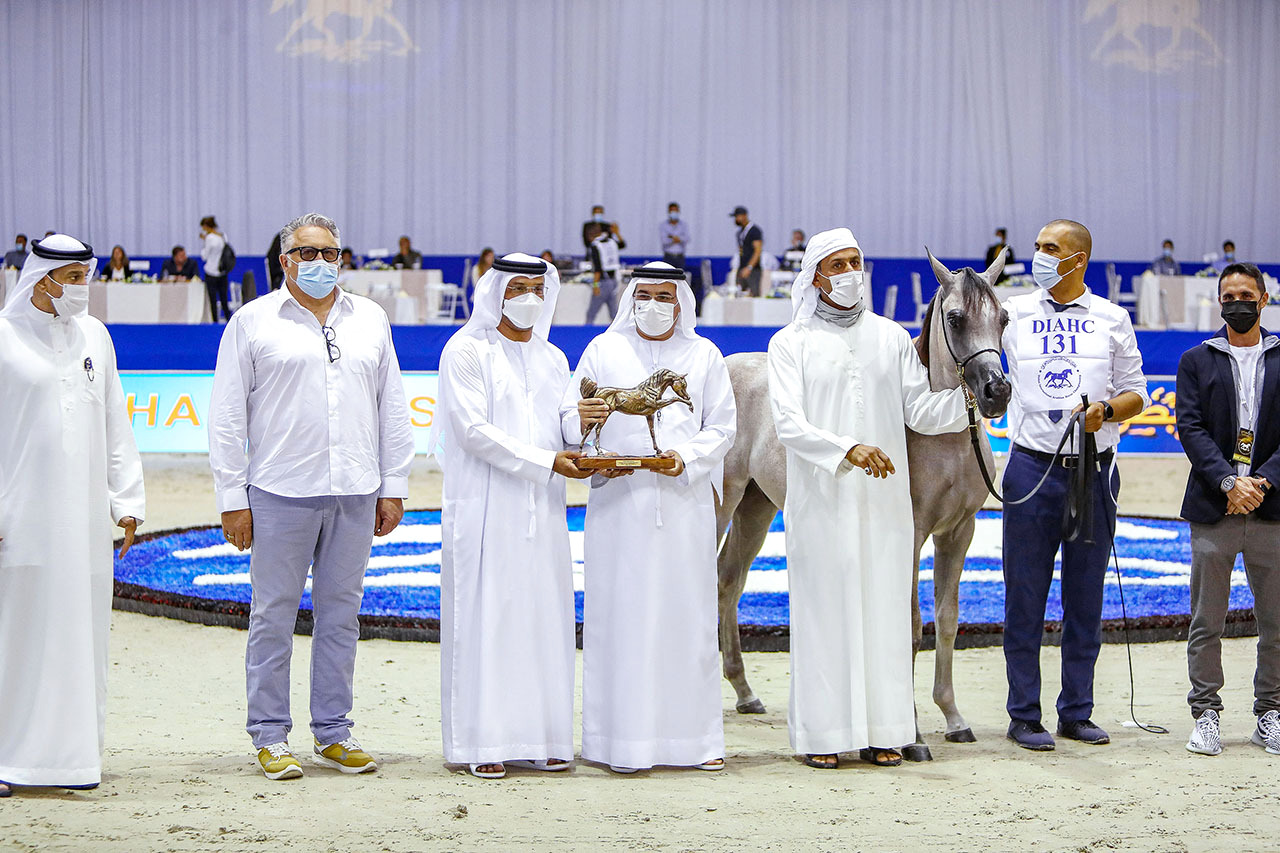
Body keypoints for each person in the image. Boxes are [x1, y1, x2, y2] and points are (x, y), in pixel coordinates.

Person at [208, 212, 414, 781]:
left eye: (329, 253)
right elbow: (226, 415)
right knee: (273, 617)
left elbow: (391, 405)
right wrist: (232, 496)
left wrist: (393, 485)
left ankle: (334, 732)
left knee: (341, 617)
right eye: (307, 253)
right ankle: (270, 736)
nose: (320, 262)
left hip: (356, 490)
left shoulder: (370, 319)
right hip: (279, 491)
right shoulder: (252, 321)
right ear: (285, 260)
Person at [767, 227, 969, 770]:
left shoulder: (891, 337)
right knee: (825, 615)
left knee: (885, 613)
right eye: (837, 265)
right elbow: (788, 424)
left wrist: (969, 402)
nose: (850, 272)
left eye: (855, 261)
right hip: (821, 502)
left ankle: (885, 730)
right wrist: (847, 449)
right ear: (815, 277)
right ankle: (823, 735)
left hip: (884, 505)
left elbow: (920, 410)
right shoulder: (790, 343)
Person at [563, 261, 737, 773]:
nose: (654, 305)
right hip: (619, 508)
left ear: (681, 302)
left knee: (689, 618)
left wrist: (685, 458)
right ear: (631, 298)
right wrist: (582, 427)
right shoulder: (602, 350)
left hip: (684, 505)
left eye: (665, 296)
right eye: (645, 295)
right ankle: (620, 744)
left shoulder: (704, 355)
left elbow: (722, 427)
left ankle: (694, 743)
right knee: (621, 619)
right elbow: (570, 419)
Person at [432, 252, 592, 780]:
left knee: (544, 617)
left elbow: (564, 428)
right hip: (485, 507)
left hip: (542, 510)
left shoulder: (552, 357)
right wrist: (548, 462)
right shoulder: (466, 350)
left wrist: (588, 423)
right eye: (517, 288)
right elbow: (471, 431)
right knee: (489, 618)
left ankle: (544, 738)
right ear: (495, 293)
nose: (528, 298)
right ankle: (485, 741)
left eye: (537, 289)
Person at [0, 234, 145, 797]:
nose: (84, 288)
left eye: (87, 276)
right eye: (75, 278)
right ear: (43, 280)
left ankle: (68, 761)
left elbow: (114, 420)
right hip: (19, 518)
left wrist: (126, 502)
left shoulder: (95, 337)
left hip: (81, 524)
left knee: (77, 637)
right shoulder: (4, 337)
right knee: (15, 635)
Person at [1000, 219, 1149, 751]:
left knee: (1085, 599)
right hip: (1030, 468)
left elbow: (1137, 394)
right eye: (1038, 247)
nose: (1039, 255)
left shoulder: (1112, 317)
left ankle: (1076, 713)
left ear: (1078, 259)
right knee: (1024, 598)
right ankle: (1023, 715)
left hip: (1094, 471)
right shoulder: (1011, 312)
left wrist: (1107, 409)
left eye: (1050, 248)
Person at [1175, 262, 1280, 757]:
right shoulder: (1196, 360)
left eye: (1245, 295)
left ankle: (1270, 712)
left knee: (1275, 621)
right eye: (1228, 296)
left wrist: (1262, 481)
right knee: (1207, 620)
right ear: (1219, 302)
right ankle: (1206, 714)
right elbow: (1190, 428)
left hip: (1270, 507)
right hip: (1214, 506)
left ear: (1264, 299)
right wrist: (1227, 482)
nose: (1237, 303)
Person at [587, 221, 625, 324]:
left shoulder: (595, 245)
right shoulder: (612, 242)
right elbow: (622, 244)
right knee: (614, 313)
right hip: (614, 280)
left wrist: (595, 285)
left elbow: (598, 268)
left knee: (591, 314)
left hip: (603, 281)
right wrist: (617, 233)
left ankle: (586, 331)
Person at [200, 216, 231, 321]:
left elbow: (205, 256)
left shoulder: (209, 238)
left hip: (211, 272)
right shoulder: (222, 236)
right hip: (222, 271)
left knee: (213, 299)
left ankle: (215, 320)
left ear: (206, 226)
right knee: (224, 298)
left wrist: (204, 242)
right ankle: (228, 318)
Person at [731, 206, 763, 296]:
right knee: (738, 293)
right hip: (742, 267)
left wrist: (749, 267)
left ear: (744, 216)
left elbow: (757, 251)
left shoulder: (754, 231)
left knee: (753, 294)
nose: (736, 219)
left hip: (753, 270)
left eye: (737, 216)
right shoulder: (740, 232)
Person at [660, 202, 690, 269]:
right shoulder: (663, 225)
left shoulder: (684, 225)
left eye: (675, 211)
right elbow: (664, 241)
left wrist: (672, 237)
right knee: (667, 274)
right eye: (672, 211)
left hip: (680, 257)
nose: (674, 213)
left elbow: (687, 238)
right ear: (668, 212)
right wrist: (677, 239)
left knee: (680, 274)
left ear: (678, 211)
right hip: (668, 256)